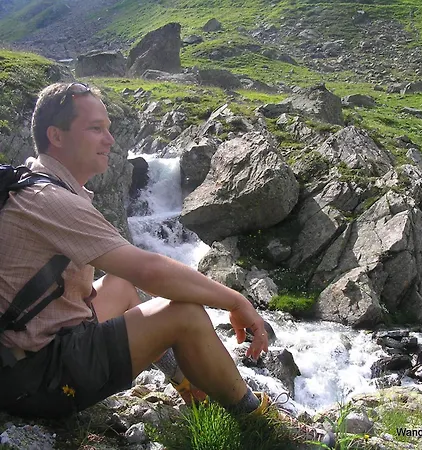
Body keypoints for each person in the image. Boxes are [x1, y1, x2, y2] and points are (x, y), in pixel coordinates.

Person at [0, 82, 334, 447]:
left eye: (109, 128)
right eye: (96, 129)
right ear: (56, 136)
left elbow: (132, 276)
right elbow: (151, 271)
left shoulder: (33, 184)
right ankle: (261, 423)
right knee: (184, 315)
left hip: (23, 356)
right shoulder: (52, 200)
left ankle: (196, 392)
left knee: (120, 286)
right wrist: (236, 300)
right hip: (34, 378)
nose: (110, 140)